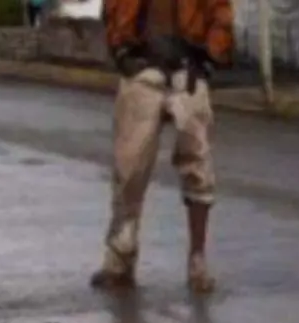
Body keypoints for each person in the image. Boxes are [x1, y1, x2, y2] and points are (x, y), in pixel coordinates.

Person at [95, 0, 235, 293]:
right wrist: (121, 51)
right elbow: (112, 9)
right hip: (142, 69)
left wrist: (209, 57)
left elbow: (221, 13)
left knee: (198, 167)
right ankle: (121, 253)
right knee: (129, 166)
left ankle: (197, 258)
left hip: (188, 71)